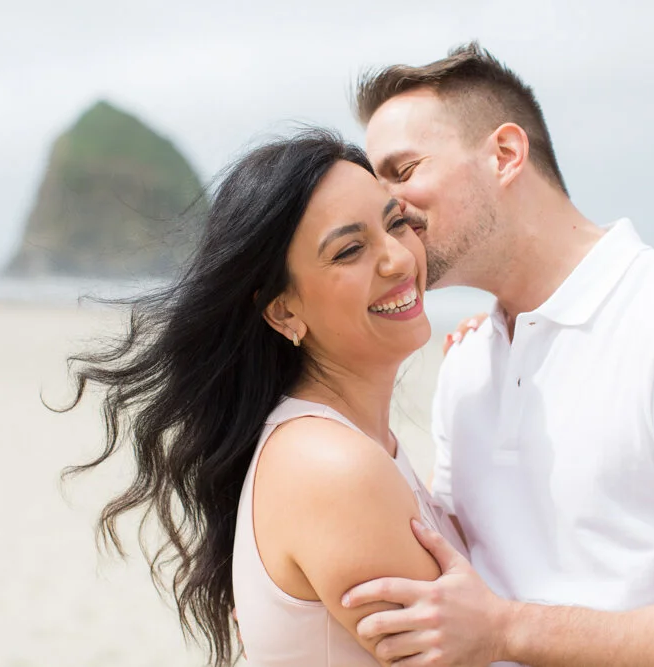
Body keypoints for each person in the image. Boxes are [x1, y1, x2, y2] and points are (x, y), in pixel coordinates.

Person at [342, 43, 654, 666]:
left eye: (402, 172)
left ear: (505, 155)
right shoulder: (464, 362)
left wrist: (508, 631)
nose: (389, 210)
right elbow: (449, 560)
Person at [63, 130, 465, 667]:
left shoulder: (339, 445)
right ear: (282, 312)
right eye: (349, 250)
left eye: (397, 223)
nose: (397, 258)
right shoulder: (334, 468)